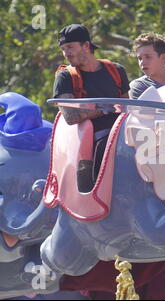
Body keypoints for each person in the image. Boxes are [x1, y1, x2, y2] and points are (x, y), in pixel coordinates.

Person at [53, 24, 130, 190]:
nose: (66, 53)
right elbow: (70, 116)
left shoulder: (117, 70)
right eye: (63, 49)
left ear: (86, 46)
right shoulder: (65, 77)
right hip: (93, 140)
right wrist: (103, 108)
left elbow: (128, 109)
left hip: (125, 133)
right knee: (107, 147)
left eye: (70, 47)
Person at [129, 32, 165, 99]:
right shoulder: (138, 86)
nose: (142, 62)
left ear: (163, 57)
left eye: (148, 57)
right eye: (140, 58)